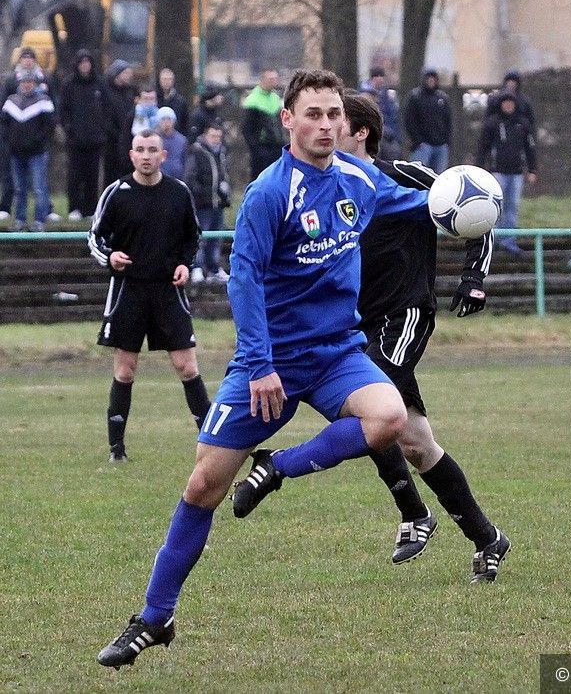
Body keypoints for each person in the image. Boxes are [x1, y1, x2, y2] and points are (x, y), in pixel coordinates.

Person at [96, 68, 428, 669]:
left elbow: (420, 204)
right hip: (271, 359)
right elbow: (243, 280)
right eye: (314, 115)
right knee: (204, 485)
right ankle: (154, 616)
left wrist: (465, 202)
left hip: (336, 353)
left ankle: (277, 466)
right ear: (288, 119)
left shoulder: (360, 178)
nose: (326, 126)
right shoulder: (270, 193)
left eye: (334, 115)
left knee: (389, 418)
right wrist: (258, 363)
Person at [308, 91, 509, 579]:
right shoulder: (330, 186)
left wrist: (474, 278)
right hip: (357, 323)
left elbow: (475, 207)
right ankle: (488, 538)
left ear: (361, 132)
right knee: (415, 442)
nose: (326, 127)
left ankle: (415, 515)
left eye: (337, 119)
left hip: (405, 314)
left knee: (368, 406)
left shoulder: (406, 175)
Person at [88, 130, 211, 464]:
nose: (146, 155)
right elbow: (95, 237)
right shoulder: (116, 192)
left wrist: (185, 264)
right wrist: (110, 257)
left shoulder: (178, 192)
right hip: (128, 291)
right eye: (140, 150)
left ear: (163, 155)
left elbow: (193, 236)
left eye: (152, 150)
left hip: (168, 290)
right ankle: (117, 451)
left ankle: (214, 444)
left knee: (187, 366)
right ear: (132, 155)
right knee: (125, 370)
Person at [475, 89, 537, 256]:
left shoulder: (522, 124)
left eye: (511, 102)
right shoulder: (492, 123)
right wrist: (479, 168)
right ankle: (492, 239)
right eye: (505, 102)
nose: (508, 105)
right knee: (495, 206)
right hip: (497, 172)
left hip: (516, 173)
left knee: (512, 206)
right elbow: (483, 148)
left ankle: (509, 240)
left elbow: (530, 148)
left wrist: (532, 169)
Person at [1, 68, 55, 232]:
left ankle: (39, 221)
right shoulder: (11, 101)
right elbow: (4, 125)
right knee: (19, 189)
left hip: (37, 152)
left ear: (34, 83)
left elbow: (49, 127)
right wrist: (10, 143)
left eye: (30, 82)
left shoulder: (43, 101)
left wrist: (37, 142)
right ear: (20, 83)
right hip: (16, 153)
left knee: (39, 188)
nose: (27, 85)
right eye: (24, 82)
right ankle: (19, 220)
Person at [59, 48, 107, 221]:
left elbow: (106, 108)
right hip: (75, 140)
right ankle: (74, 207)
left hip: (95, 140)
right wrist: (69, 128)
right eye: (82, 63)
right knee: (74, 176)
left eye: (88, 62)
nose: (85, 66)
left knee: (92, 176)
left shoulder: (99, 84)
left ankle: (90, 209)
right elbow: (63, 110)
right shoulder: (68, 84)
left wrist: (101, 129)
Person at [184, 122, 231, 285]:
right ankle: (197, 267)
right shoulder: (197, 152)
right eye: (213, 136)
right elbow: (190, 177)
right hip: (202, 203)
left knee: (216, 237)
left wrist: (225, 191)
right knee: (201, 236)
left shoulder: (222, 152)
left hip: (218, 202)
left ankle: (214, 268)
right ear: (205, 135)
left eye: (218, 136)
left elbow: (223, 174)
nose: (216, 139)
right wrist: (201, 194)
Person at [241, 68, 286, 180]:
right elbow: (246, 128)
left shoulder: (275, 98)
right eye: (271, 79)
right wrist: (256, 148)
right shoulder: (253, 100)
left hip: (276, 147)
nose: (274, 82)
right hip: (261, 148)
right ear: (262, 80)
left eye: (276, 79)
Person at [403, 69, 451, 173]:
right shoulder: (415, 97)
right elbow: (409, 120)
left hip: (440, 145)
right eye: (429, 78)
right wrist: (418, 141)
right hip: (422, 146)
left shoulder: (442, 98)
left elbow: (448, 121)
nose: (431, 81)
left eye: (433, 79)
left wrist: (446, 141)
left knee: (439, 177)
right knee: (418, 175)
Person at [104, 60, 137, 185]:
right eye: (126, 73)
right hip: (112, 142)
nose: (129, 76)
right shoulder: (107, 92)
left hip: (129, 140)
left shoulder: (131, 92)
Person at [360, 66, 401, 160]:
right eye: (378, 76)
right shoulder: (363, 94)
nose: (381, 79)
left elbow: (393, 116)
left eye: (382, 77)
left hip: (388, 135)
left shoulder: (387, 95)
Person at [157, 106, 188, 181]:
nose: (166, 123)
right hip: (159, 179)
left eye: (169, 119)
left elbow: (185, 161)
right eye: (163, 119)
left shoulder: (182, 140)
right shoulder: (154, 139)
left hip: (178, 179)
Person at [156, 68, 189, 135]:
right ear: (160, 80)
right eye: (164, 79)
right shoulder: (154, 99)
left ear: (173, 81)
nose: (167, 82)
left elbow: (185, 122)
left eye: (169, 79)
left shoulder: (180, 101)